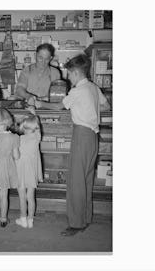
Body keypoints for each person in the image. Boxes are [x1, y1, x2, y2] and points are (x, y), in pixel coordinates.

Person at [34, 54, 110, 236]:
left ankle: (77, 224)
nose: (68, 77)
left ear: (76, 73)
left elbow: (58, 107)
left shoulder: (77, 91)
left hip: (82, 135)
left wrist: (38, 102)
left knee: (76, 181)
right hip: (93, 136)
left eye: (69, 73)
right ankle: (86, 217)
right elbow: (106, 106)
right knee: (87, 178)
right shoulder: (93, 87)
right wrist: (89, 108)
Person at [15, 115, 43, 229]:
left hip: (20, 171)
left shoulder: (18, 139)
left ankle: (23, 219)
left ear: (24, 127)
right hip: (31, 172)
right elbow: (39, 129)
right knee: (30, 197)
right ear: (35, 128)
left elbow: (15, 155)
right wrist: (34, 114)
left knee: (22, 196)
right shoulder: (37, 138)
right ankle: (30, 220)